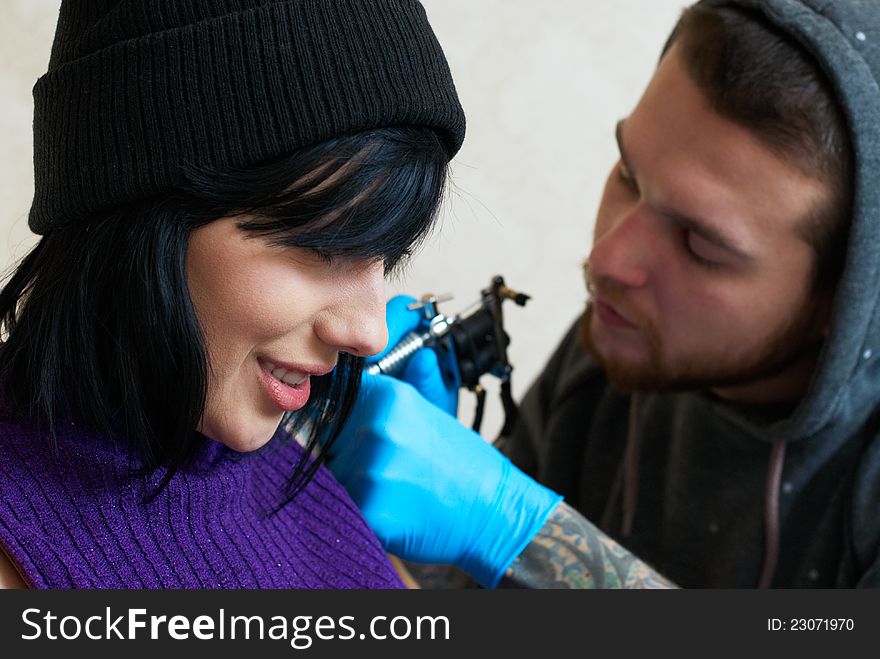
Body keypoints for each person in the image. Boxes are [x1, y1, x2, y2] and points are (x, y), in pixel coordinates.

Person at [326, 0, 880, 588]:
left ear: (846, 302)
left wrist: (514, 531)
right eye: (627, 175)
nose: (608, 261)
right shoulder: (620, 352)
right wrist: (422, 541)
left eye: (700, 245)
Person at [0, 0, 467, 589]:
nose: (368, 333)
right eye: (322, 248)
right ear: (137, 212)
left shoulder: (281, 475)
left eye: (386, 255)